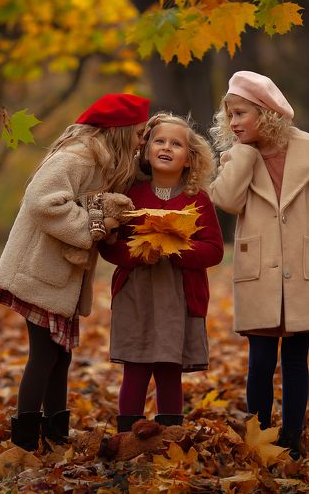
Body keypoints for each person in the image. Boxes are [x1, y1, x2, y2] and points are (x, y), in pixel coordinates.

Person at [208, 71, 309, 459]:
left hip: (305, 271)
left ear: (266, 112)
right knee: (259, 362)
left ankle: (292, 438)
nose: (234, 122)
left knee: (295, 361)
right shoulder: (238, 156)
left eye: (240, 113)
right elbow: (225, 199)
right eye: (230, 115)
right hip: (258, 271)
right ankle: (259, 437)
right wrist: (241, 154)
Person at [0, 93, 150, 452]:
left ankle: (56, 432)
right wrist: (94, 225)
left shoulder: (105, 161)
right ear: (121, 130)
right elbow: (42, 201)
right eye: (140, 133)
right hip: (38, 270)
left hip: (58, 275)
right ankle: (26, 441)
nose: (143, 140)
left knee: (60, 355)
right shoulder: (78, 156)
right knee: (44, 355)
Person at [99, 112, 224, 432]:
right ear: (145, 150)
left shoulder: (198, 199)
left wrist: (179, 249)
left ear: (189, 159)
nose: (166, 147)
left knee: (169, 366)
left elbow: (214, 250)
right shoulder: (130, 194)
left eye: (176, 144)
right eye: (159, 141)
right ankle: (127, 434)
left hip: (179, 295)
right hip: (137, 292)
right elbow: (109, 246)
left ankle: (170, 434)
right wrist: (140, 253)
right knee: (136, 365)